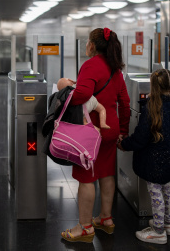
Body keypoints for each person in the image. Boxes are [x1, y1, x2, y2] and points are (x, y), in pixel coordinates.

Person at [61, 28, 130, 243]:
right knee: (107, 172)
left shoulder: (90, 65)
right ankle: (105, 219)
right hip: (111, 129)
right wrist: (124, 131)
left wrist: (65, 94)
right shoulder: (115, 69)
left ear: (92, 45)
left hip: (91, 131)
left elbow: (82, 94)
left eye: (88, 42)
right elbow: (125, 102)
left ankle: (85, 228)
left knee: (87, 177)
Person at [117, 69, 170, 245]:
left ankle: (158, 232)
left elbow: (141, 137)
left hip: (154, 161)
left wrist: (124, 144)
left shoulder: (151, 107)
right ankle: (168, 224)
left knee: (155, 193)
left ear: (153, 86)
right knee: (168, 189)